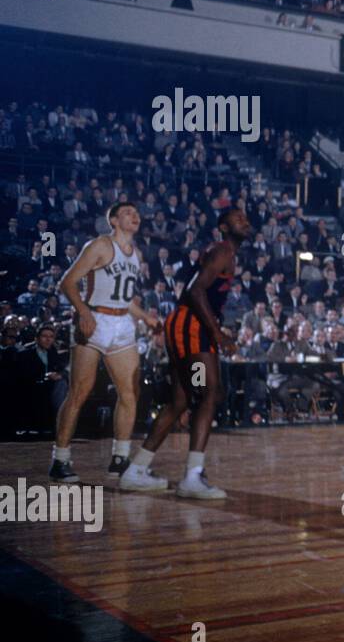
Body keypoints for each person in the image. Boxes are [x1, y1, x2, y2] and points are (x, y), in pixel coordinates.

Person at [118, 207, 253, 498]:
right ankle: (192, 477)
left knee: (180, 402)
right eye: (237, 217)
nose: (244, 220)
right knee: (208, 393)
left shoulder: (225, 253)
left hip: (187, 325)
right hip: (191, 327)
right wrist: (216, 333)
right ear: (223, 226)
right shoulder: (222, 251)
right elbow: (195, 291)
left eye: (245, 217)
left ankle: (136, 470)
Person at [48, 201, 162, 484]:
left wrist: (145, 317)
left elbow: (123, 299)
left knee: (129, 392)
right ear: (112, 220)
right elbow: (67, 282)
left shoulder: (136, 254)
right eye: (127, 213)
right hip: (94, 319)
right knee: (79, 391)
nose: (134, 216)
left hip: (122, 322)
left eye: (136, 213)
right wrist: (83, 312)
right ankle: (60, 459)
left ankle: (120, 459)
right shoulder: (100, 244)